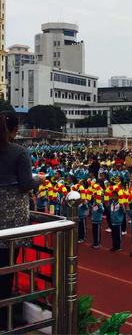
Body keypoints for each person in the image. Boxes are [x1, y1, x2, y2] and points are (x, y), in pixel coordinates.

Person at [0, 111, 45, 330]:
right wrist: (39, 179)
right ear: (13, 129)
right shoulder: (18, 152)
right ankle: (4, 319)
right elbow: (26, 184)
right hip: (11, 219)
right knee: (7, 269)